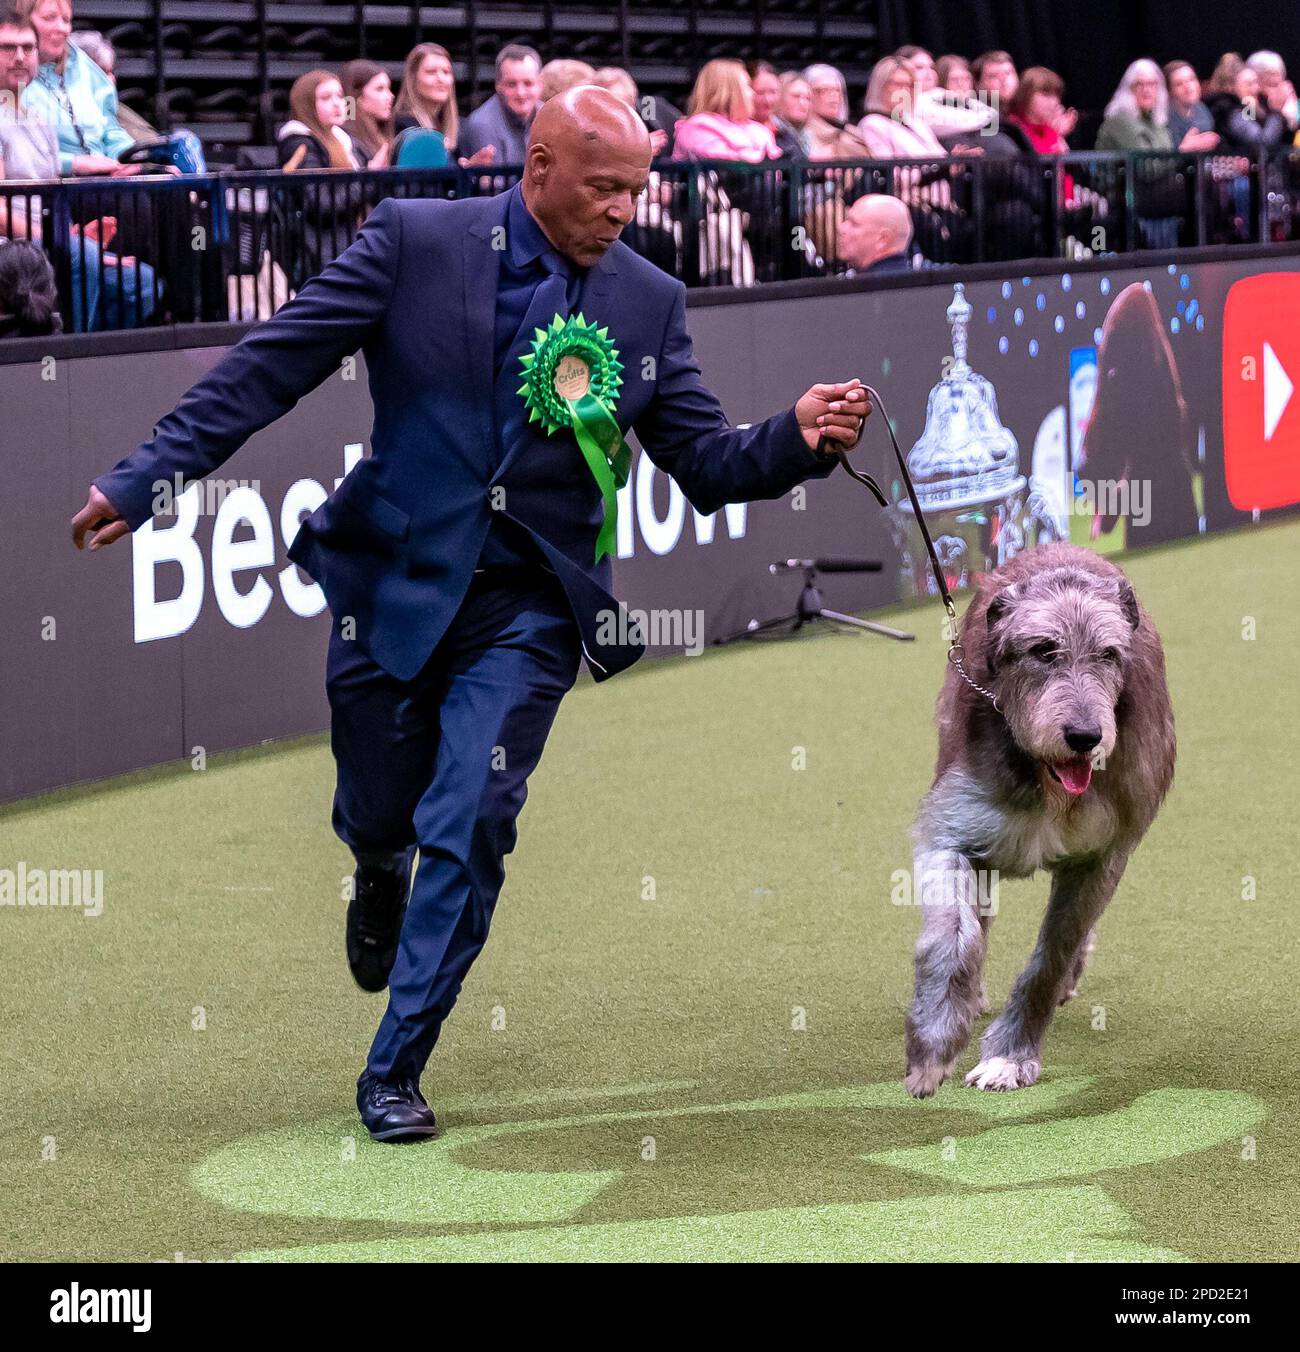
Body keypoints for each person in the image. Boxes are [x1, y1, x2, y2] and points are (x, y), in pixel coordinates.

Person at [71, 86, 871, 1144]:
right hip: (393, 583)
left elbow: (706, 462)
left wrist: (796, 436)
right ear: (536, 166)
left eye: (638, 187)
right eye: (603, 187)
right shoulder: (413, 240)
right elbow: (270, 367)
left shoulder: (647, 299)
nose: (625, 208)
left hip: (531, 606)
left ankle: (395, 1064)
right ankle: (371, 863)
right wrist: (146, 480)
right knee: (380, 805)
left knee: (472, 820)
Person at [0, 6, 154, 330]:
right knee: (82, 258)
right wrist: (64, 241)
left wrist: (76, 236)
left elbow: (50, 194)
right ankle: (66, 361)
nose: (19, 57)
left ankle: (98, 368)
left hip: (43, 242)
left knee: (140, 284)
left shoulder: (38, 119)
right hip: (10, 251)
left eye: (27, 48)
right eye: (8, 48)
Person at [671, 58, 779, 162]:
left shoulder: (758, 129)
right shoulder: (697, 128)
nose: (753, 93)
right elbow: (728, 167)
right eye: (748, 86)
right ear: (728, 92)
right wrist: (762, 155)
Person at [457, 43, 542, 163]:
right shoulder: (481, 125)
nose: (521, 93)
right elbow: (498, 182)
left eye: (528, 83)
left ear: (540, 84)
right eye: (512, 84)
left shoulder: (552, 118)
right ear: (498, 85)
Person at [836, 193, 916, 274]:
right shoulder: (913, 281)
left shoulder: (871, 285)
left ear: (883, 239)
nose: (840, 228)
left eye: (854, 224)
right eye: (847, 220)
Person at [802, 62, 868, 159]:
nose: (834, 96)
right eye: (825, 90)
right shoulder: (802, 134)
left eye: (837, 90)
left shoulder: (853, 133)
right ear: (807, 94)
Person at [341, 59, 395, 166]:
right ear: (357, 96)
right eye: (380, 89)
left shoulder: (386, 134)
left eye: (388, 88)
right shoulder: (347, 141)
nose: (390, 96)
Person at [747, 59, 803, 158]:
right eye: (760, 92)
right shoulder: (737, 134)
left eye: (773, 92)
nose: (768, 100)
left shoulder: (785, 131)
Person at [1163, 61, 1219, 151]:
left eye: (1191, 80)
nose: (1188, 87)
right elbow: (1164, 162)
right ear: (1170, 92)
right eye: (1179, 84)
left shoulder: (1202, 109)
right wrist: (1185, 149)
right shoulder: (1164, 119)